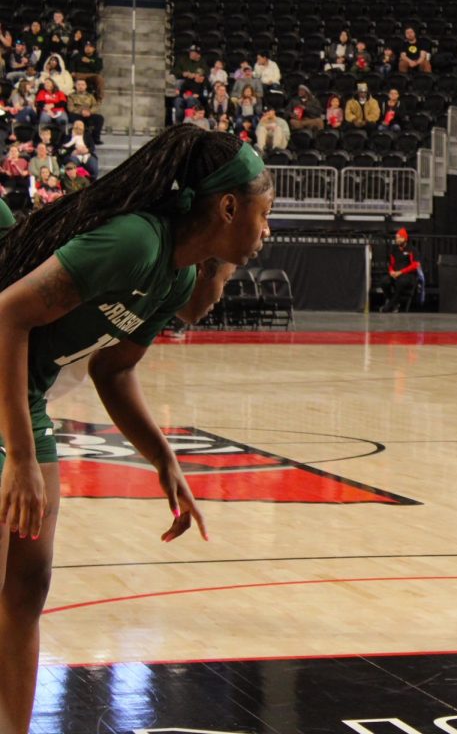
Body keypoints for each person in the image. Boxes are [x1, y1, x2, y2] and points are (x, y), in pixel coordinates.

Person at [0, 127, 274, 734]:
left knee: (28, 587)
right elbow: (8, 314)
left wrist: (164, 460)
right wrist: (18, 456)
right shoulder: (134, 242)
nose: (267, 230)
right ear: (228, 207)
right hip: (5, 385)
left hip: (25, 392)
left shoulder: (172, 278)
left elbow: (113, 369)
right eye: (266, 211)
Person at [380, 228, 421, 312]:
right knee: (384, 281)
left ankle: (388, 307)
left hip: (408, 275)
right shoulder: (394, 249)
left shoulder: (412, 249)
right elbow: (391, 263)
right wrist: (391, 271)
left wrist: (401, 272)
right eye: (396, 238)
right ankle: (393, 303)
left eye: (399, 238)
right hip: (396, 274)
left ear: (404, 238)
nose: (397, 240)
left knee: (401, 282)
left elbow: (415, 265)